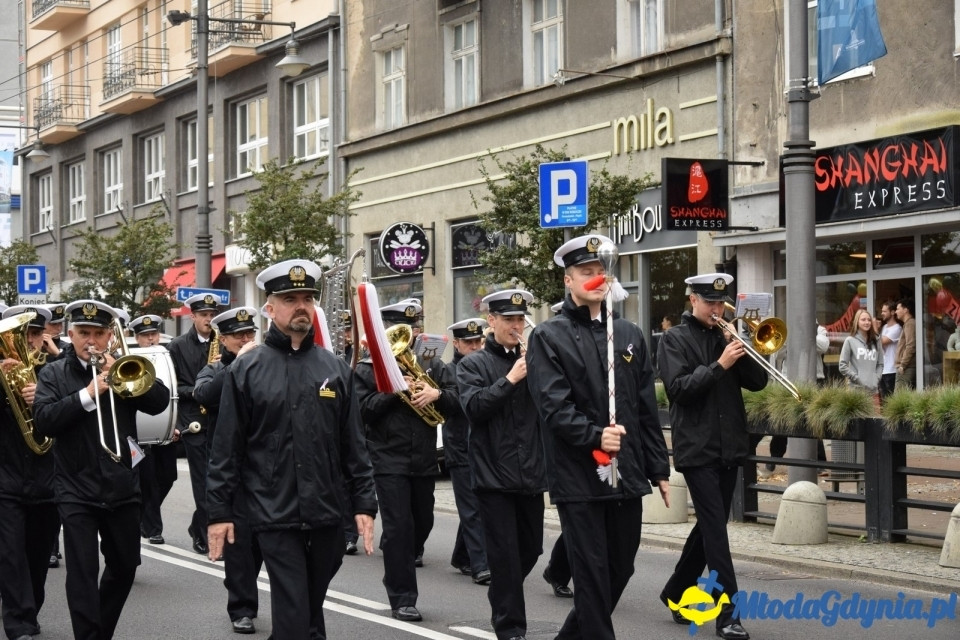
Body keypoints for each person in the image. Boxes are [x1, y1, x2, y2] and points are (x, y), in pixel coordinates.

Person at [206, 260, 378, 640]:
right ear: (270, 309)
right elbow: (226, 449)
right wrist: (219, 512)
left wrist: (364, 504)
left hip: (327, 512)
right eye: (289, 298)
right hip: (272, 512)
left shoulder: (335, 369)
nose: (301, 305)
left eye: (307, 298)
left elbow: (354, 444)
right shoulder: (246, 370)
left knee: (309, 615)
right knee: (296, 616)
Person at [526, 235, 671, 640]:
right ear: (569, 281)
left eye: (600, 271)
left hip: (627, 472)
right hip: (578, 476)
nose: (596, 277)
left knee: (620, 567)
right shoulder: (548, 337)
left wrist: (658, 467)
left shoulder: (627, 334)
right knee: (590, 574)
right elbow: (553, 407)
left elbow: (645, 409)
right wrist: (594, 436)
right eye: (586, 272)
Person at [34, 300, 169, 640]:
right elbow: (45, 421)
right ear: (70, 333)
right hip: (75, 487)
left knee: (125, 567)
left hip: (122, 483)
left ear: (110, 335)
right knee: (82, 571)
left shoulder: (123, 367)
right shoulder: (53, 372)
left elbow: (160, 403)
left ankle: (99, 631)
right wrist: (88, 394)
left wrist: (122, 367)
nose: (90, 341)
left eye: (98, 333)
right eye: (83, 333)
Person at [656, 272, 768, 640]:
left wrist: (743, 345)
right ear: (693, 300)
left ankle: (676, 591)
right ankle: (728, 615)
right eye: (709, 302)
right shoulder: (674, 340)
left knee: (708, 526)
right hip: (697, 447)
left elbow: (758, 382)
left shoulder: (727, 336)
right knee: (717, 531)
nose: (717, 309)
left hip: (729, 445)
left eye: (721, 303)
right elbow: (679, 390)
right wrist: (720, 363)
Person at [355, 299, 457, 622]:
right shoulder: (369, 367)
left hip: (424, 458)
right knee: (399, 529)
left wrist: (435, 394)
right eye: (402, 327)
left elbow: (457, 399)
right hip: (388, 458)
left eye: (413, 327)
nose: (410, 333)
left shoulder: (431, 365)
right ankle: (402, 596)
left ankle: (399, 562)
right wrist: (393, 389)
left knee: (422, 522)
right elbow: (361, 410)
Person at [458, 291, 547, 640]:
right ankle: (511, 628)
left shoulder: (534, 360)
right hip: (493, 475)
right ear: (490, 321)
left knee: (532, 549)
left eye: (519, 319)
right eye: (508, 319)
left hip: (531, 472)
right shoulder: (473, 365)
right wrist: (511, 379)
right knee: (506, 557)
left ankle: (502, 592)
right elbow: (475, 409)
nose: (516, 326)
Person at [194, 306, 263, 635]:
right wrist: (236, 363)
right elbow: (205, 396)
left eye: (250, 334)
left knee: (264, 541)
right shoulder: (213, 369)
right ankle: (242, 607)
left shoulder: (266, 366)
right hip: (231, 469)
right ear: (223, 339)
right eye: (239, 336)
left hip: (267, 467)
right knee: (239, 543)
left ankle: (251, 594)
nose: (247, 340)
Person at [0, 305, 59, 640]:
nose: (31, 342)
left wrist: (46, 397)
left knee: (38, 554)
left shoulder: (55, 371)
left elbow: (75, 412)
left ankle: (30, 610)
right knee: (10, 553)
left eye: (37, 334)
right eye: (26, 335)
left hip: (47, 479)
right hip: (6, 476)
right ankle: (18, 623)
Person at [168, 292, 222, 554]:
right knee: (202, 481)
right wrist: (195, 392)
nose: (209, 320)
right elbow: (172, 385)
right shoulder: (177, 345)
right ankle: (203, 534)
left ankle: (197, 525)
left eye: (212, 316)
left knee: (219, 480)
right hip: (193, 421)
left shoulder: (220, 342)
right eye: (204, 316)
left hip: (218, 419)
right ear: (193, 317)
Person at [440, 318, 490, 585]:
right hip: (460, 445)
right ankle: (481, 564)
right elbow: (454, 404)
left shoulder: (486, 366)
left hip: (484, 446)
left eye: (478, 341)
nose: (474, 346)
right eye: (468, 342)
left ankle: (462, 556)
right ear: (456, 344)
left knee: (477, 504)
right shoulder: (448, 371)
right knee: (471, 508)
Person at [129, 314, 177, 546]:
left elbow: (175, 396)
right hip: (142, 431)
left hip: (165, 428)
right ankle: (154, 528)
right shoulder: (129, 359)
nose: (150, 339)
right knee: (147, 480)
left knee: (168, 475)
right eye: (145, 335)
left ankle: (143, 516)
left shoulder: (168, 356)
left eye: (153, 334)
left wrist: (175, 424)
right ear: (137, 338)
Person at [761, 320, 829, 478]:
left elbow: (822, 347)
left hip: (813, 380)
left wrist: (804, 335)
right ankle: (773, 460)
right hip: (789, 380)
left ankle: (820, 463)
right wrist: (790, 337)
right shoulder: (786, 332)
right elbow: (778, 354)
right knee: (783, 419)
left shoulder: (820, 330)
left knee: (812, 421)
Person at [838, 309, 884, 400]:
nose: (867, 322)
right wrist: (857, 379)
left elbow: (880, 364)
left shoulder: (876, 341)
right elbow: (842, 366)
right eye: (863, 320)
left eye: (869, 320)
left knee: (875, 414)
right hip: (856, 391)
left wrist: (876, 379)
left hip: (873, 390)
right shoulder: (850, 340)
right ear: (857, 322)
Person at [879, 301, 902, 399]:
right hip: (882, 369)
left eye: (884, 311)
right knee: (883, 399)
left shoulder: (897, 328)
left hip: (891, 369)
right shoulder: (884, 327)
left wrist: (874, 329)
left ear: (892, 312)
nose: (882, 313)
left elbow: (881, 342)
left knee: (890, 398)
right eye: (882, 311)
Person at [895, 298, 916, 389]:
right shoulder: (908, 323)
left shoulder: (910, 324)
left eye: (898, 309)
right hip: (906, 367)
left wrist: (903, 365)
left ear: (905, 310)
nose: (896, 312)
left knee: (899, 398)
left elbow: (911, 345)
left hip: (906, 368)